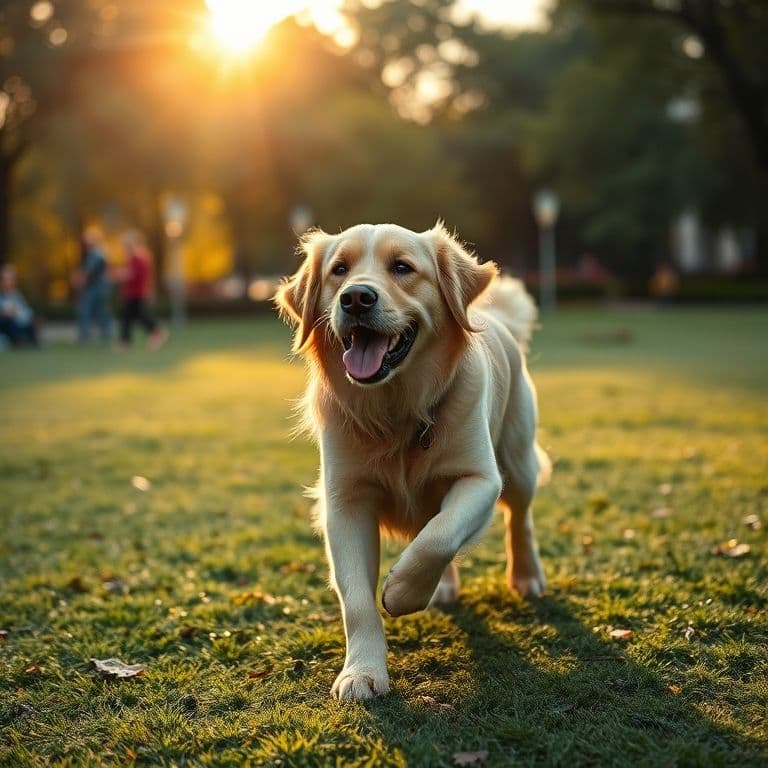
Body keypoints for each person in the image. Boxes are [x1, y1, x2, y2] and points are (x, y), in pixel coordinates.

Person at [117, 230, 168, 350]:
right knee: (130, 317)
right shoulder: (134, 258)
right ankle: (127, 341)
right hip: (133, 293)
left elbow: (134, 274)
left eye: (126, 245)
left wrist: (121, 275)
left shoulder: (138, 258)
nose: (124, 248)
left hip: (136, 293)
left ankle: (156, 332)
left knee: (134, 317)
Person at [76, 226, 112, 343]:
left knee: (86, 310)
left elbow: (90, 272)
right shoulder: (99, 252)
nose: (85, 240)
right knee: (100, 311)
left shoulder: (97, 253)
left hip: (95, 288)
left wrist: (80, 280)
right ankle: (105, 335)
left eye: (87, 238)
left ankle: (85, 336)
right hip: (99, 287)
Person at [0, 265, 39, 348]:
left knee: (31, 321)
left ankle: (32, 343)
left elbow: (25, 310)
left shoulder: (16, 295)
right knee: (9, 321)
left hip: (19, 320)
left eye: (13, 279)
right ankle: (17, 342)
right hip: (6, 323)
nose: (12, 282)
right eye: (8, 279)